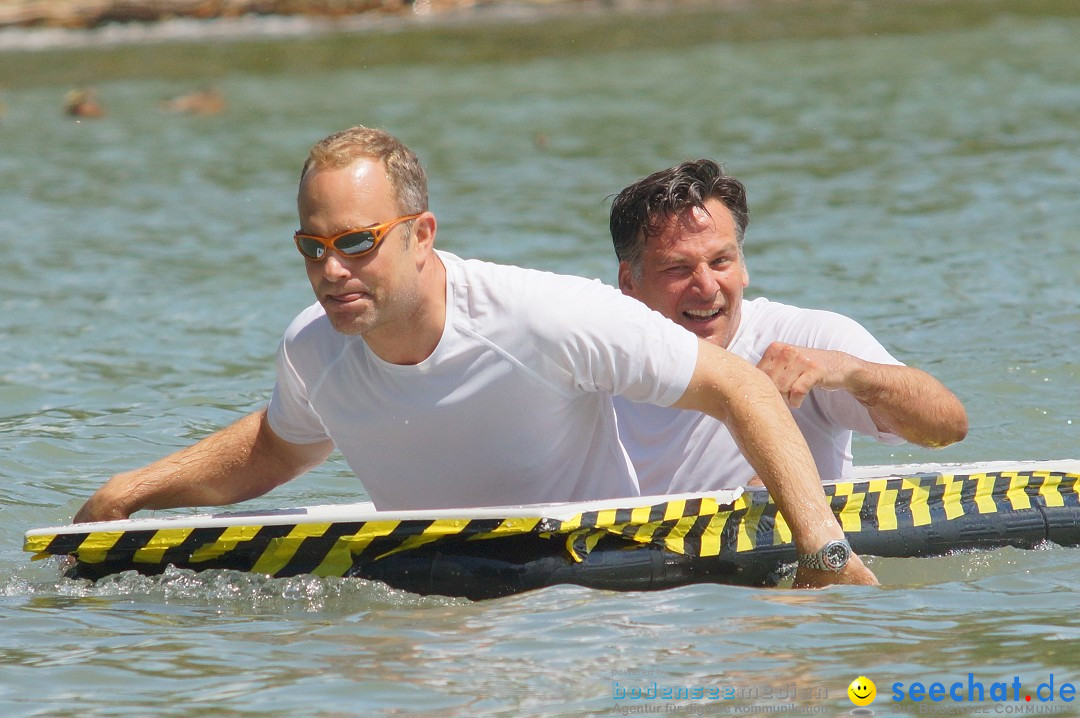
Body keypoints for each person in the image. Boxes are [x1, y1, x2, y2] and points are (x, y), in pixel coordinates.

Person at [74, 127, 877, 587]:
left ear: (422, 235)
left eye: (357, 242)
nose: (331, 270)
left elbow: (739, 385)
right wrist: (134, 490)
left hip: (601, 602)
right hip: (438, 600)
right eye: (312, 247)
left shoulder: (544, 316)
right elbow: (281, 445)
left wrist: (825, 552)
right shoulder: (313, 348)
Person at [609, 159, 968, 495]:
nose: (706, 287)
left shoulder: (806, 338)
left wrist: (848, 372)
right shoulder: (596, 357)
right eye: (678, 269)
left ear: (744, 267)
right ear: (629, 281)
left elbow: (948, 426)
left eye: (721, 261)